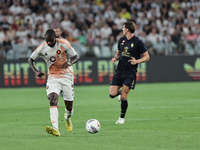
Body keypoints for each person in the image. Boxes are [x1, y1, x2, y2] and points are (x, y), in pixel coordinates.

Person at [28, 29, 80, 136]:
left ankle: (67, 117)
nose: (49, 43)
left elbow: (76, 57)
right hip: (53, 77)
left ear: (55, 38)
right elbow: (30, 59)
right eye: (47, 40)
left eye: (51, 41)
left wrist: (69, 63)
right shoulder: (42, 47)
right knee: (52, 99)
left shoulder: (64, 44)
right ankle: (55, 128)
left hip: (67, 76)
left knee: (69, 106)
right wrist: (36, 71)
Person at [109, 21, 150, 124]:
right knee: (111, 94)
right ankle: (119, 92)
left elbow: (147, 56)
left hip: (130, 72)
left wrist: (137, 61)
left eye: (123, 28)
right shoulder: (121, 40)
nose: (122, 29)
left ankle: (121, 118)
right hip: (120, 70)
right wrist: (115, 58)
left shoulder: (138, 42)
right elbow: (119, 53)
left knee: (124, 97)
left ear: (127, 29)